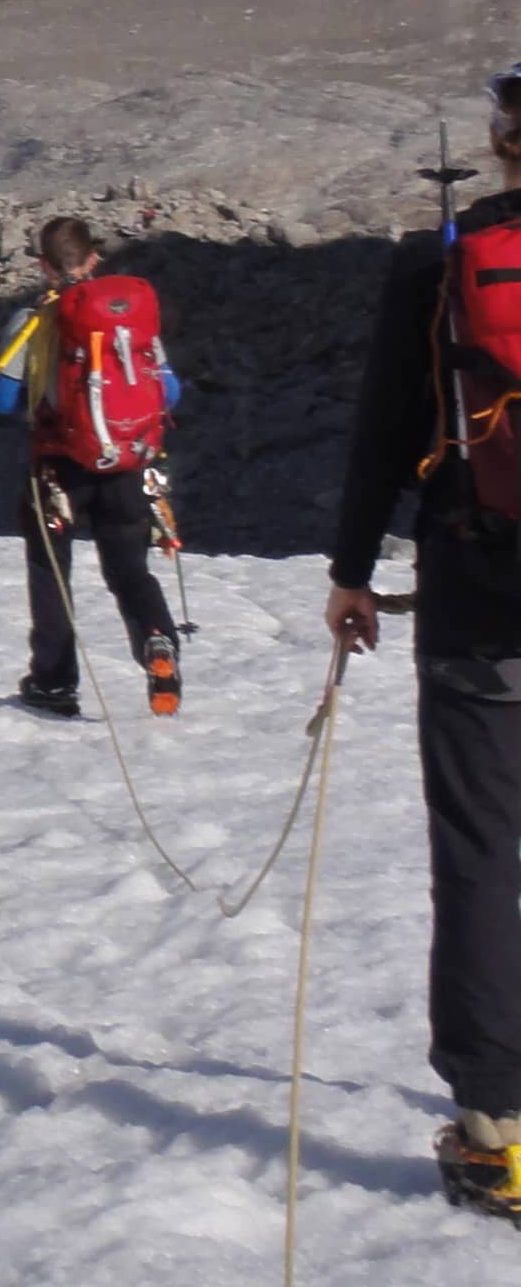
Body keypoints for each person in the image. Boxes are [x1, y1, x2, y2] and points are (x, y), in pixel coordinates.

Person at [325, 60, 521, 1223]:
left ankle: (496, 1131)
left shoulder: (439, 262)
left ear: (503, 146)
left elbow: (385, 433)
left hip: (476, 588)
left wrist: (351, 572)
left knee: (482, 858)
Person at [0, 214, 183, 719]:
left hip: (58, 470)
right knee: (129, 569)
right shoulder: (129, 318)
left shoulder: (32, 320)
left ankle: (53, 683)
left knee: (51, 571)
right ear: (94, 257)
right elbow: (170, 391)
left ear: (43, 266)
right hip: (128, 463)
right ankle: (158, 642)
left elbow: (4, 401)